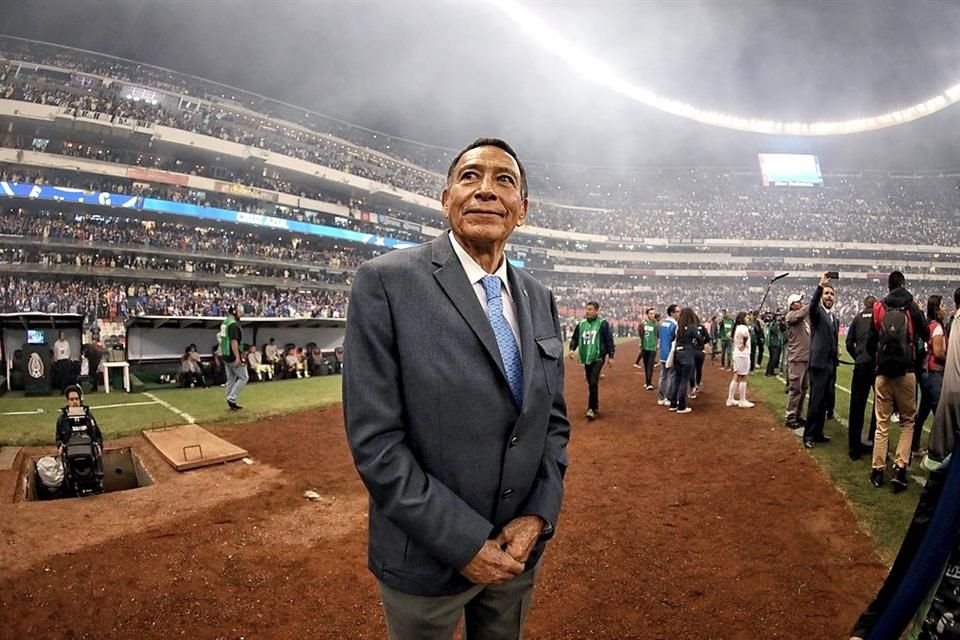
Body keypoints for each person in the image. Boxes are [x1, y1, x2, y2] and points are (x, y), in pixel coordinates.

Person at [343, 138, 570, 640]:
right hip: (425, 560)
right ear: (446, 199)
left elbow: (551, 423)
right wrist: (466, 543)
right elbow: (376, 443)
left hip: (516, 553)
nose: (486, 190)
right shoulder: (385, 282)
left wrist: (537, 515)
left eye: (503, 180)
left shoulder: (540, 297)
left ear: (522, 211)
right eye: (470, 177)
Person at [869, 271, 929, 491]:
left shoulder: (879, 307)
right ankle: (900, 469)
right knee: (907, 422)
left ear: (888, 286)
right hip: (906, 372)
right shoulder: (911, 307)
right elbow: (925, 333)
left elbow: (871, 340)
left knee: (882, 423)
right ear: (903, 284)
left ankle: (877, 469)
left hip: (883, 373)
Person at [803, 273, 840, 449]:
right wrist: (820, 285)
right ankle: (808, 435)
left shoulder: (834, 318)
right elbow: (811, 305)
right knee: (816, 401)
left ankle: (818, 433)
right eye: (826, 294)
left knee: (825, 401)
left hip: (830, 365)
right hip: (818, 364)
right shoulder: (817, 312)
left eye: (831, 294)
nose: (829, 297)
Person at [568, 301, 615, 420]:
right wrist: (572, 349)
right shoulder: (581, 324)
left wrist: (611, 356)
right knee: (590, 383)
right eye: (587, 309)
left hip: (598, 357)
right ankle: (595, 405)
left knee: (593, 381)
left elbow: (609, 340)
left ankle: (591, 409)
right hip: (586, 358)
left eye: (590, 309)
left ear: (596, 311)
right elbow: (575, 338)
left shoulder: (602, 324)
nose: (587, 311)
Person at [913, 294, 948, 454]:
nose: (945, 309)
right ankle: (938, 449)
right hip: (934, 373)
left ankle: (914, 445)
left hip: (924, 373)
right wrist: (951, 361)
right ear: (936, 308)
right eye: (942, 306)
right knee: (939, 414)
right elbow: (939, 353)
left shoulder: (927, 325)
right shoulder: (938, 328)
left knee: (923, 412)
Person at [846, 295, 879, 461]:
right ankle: (874, 442)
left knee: (857, 406)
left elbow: (848, 342)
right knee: (879, 406)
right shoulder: (880, 317)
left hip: (861, 365)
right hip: (876, 366)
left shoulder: (858, 318)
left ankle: (854, 448)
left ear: (864, 304)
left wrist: (857, 356)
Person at [785, 293, 811, 429]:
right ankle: (790, 416)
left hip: (806, 358)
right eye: (798, 301)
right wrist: (812, 303)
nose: (801, 303)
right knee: (795, 389)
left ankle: (798, 415)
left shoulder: (804, 318)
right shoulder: (791, 316)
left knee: (803, 389)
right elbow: (801, 313)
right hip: (797, 359)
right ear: (792, 305)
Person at [670, 308, 703, 414]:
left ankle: (673, 404)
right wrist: (697, 346)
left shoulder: (678, 327)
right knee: (684, 380)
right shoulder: (692, 327)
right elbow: (699, 338)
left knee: (677, 380)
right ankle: (682, 406)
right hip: (687, 354)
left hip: (677, 354)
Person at [55, 385, 103, 451]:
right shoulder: (62, 419)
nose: (74, 402)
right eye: (71, 399)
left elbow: (98, 435)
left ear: (80, 400)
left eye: (77, 399)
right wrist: (60, 446)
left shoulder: (88, 416)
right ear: (67, 401)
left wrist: (99, 445)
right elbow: (58, 438)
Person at [219, 306, 247, 411]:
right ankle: (232, 398)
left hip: (225, 354)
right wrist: (237, 357)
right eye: (240, 312)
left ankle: (229, 399)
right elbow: (234, 342)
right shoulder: (233, 325)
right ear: (234, 312)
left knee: (231, 378)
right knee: (244, 377)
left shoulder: (224, 323)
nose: (241, 314)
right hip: (231, 355)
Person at [726, 312, 754, 408]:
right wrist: (743, 344)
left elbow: (729, 335)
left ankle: (730, 399)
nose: (748, 318)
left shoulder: (737, 327)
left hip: (737, 354)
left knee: (736, 376)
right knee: (743, 376)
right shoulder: (743, 328)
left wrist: (737, 343)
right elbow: (745, 335)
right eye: (746, 317)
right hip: (743, 354)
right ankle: (742, 400)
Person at [656, 304, 680, 406]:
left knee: (663, 376)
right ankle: (668, 398)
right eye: (677, 311)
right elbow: (675, 339)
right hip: (671, 353)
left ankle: (661, 397)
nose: (679, 313)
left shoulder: (662, 323)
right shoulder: (675, 325)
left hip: (662, 352)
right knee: (672, 376)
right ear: (672, 313)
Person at [636, 307, 658, 390]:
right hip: (645, 347)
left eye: (653, 313)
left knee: (650, 365)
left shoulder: (656, 324)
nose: (652, 315)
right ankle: (647, 381)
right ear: (647, 314)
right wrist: (641, 343)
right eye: (651, 313)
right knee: (646, 365)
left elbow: (657, 334)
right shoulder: (643, 324)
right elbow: (641, 334)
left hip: (652, 347)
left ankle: (649, 383)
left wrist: (657, 344)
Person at [765, 312, 783, 377]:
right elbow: (774, 331)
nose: (780, 317)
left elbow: (783, 329)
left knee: (775, 359)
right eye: (778, 316)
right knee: (773, 358)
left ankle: (771, 371)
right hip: (773, 344)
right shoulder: (773, 324)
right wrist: (777, 324)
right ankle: (768, 372)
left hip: (777, 343)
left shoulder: (779, 324)